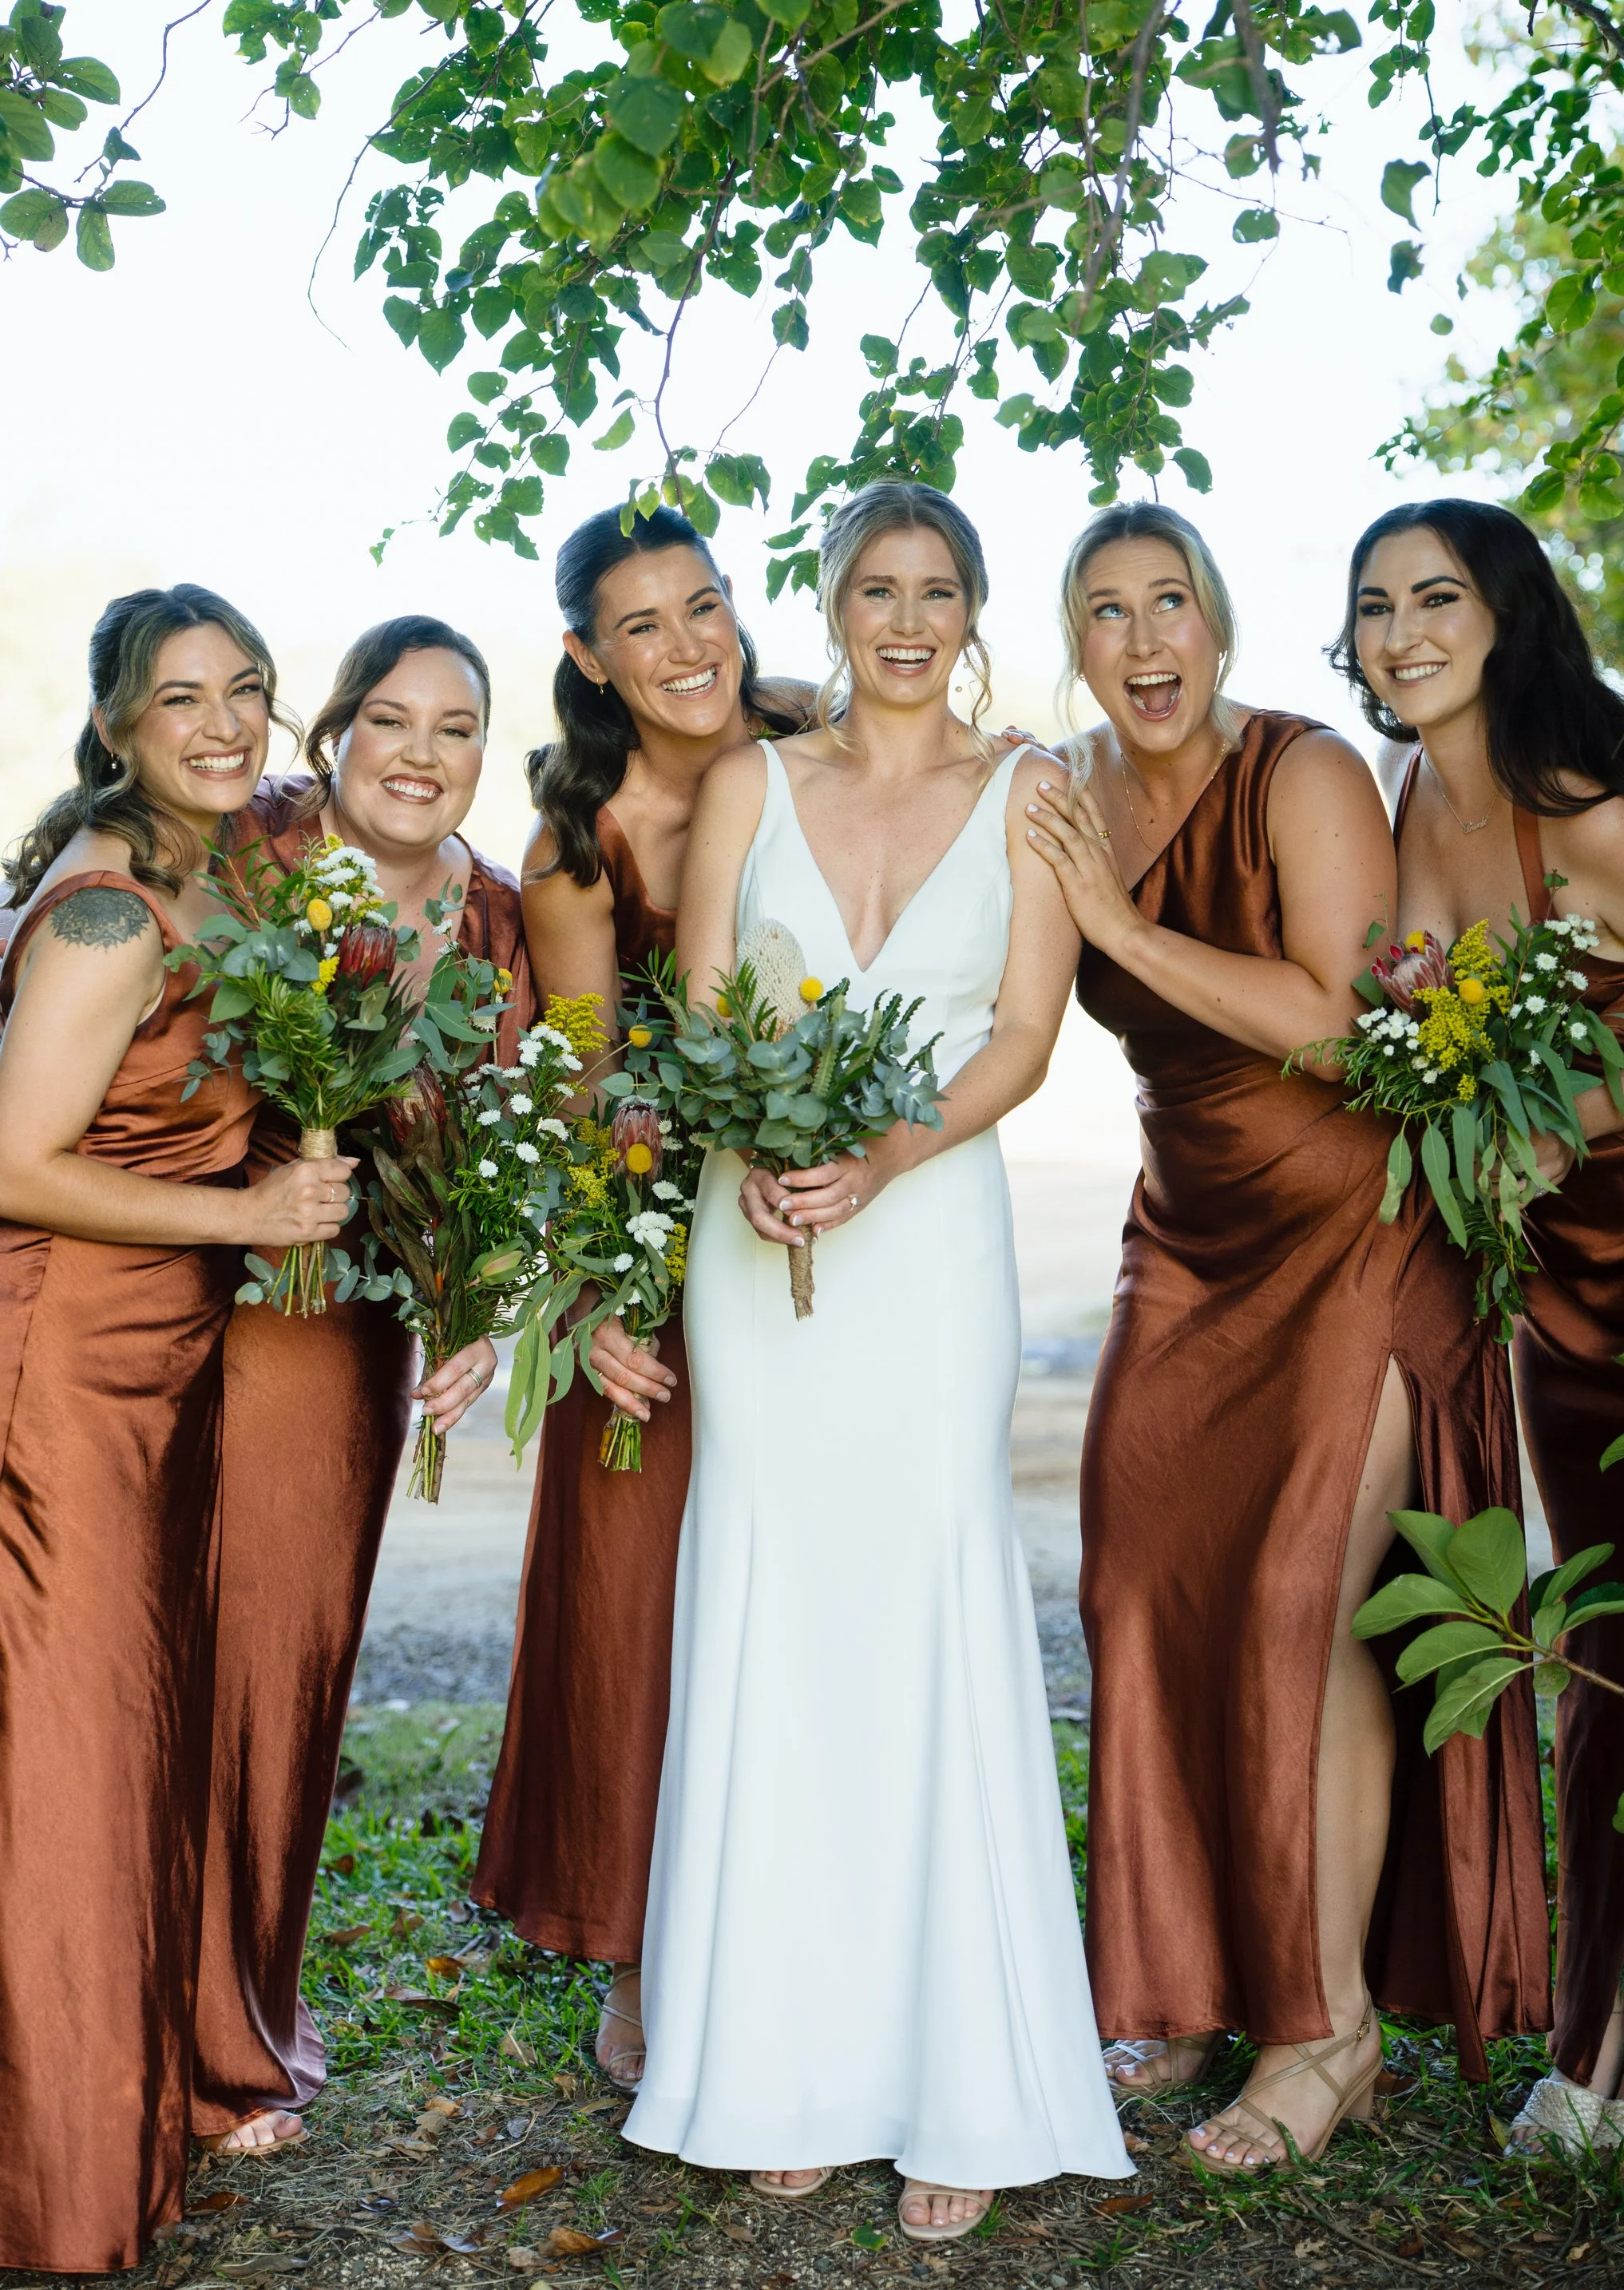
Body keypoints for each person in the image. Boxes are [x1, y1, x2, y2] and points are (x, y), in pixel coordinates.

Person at [622, 480, 1132, 2240]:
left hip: (928, 1241)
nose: (902, 620)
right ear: (827, 607)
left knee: (919, 1600)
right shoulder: (747, 785)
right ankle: (780, 2057)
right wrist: (754, 1146)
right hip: (753, 1242)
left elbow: (1022, 1035)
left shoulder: (1030, 790)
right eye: (871, 590)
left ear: (973, 610)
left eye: (935, 591)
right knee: (771, 1602)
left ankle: (958, 2086)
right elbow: (698, 1009)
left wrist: (889, 1152)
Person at [1024, 501, 1548, 2177]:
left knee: (1300, 1606)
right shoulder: (1064, 792)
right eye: (1104, 613)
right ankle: (1186, 1983)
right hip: (1185, 1236)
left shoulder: (1305, 770)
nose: (1141, 638)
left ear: (1218, 622)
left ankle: (1325, 2035)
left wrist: (1117, 930)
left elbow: (1333, 1023)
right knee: (1135, 1585)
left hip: (1351, 1223)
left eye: (1167, 601)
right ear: (1079, 647)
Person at [0, 586, 355, 2272]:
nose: (223, 725)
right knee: (76, 1761)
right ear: (120, 726)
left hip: (161, 1368)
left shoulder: (232, 879)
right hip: (60, 1371)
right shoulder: (108, 917)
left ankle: (122, 2105)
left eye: (248, 693)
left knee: (135, 1736)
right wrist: (255, 1217)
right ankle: (51, 2173)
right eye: (182, 699)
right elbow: (7, 1161)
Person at [473, 506, 806, 2088]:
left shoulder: (817, 738)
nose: (688, 649)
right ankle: (631, 1944)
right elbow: (591, 1084)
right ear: (586, 660)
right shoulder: (576, 841)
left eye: (704, 607)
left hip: (840, 1197)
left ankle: (807, 1901)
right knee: (634, 1576)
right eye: (644, 626)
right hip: (662, 1236)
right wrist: (600, 1293)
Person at [190, 616, 532, 2155]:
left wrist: (486, 1301)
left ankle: (229, 2015)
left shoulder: (503, 925)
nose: (418, 751)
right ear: (329, 736)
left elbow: (514, 1152)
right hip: (172, 1271)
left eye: (454, 727)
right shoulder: (245, 849)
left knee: (277, 1663)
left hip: (335, 1322)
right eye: (387, 718)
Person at [1333, 497, 1624, 2156]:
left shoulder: (1585, 811)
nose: (1402, 633)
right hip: (1553, 1288)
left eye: (1434, 598)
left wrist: (1567, 1117)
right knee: (1600, 1655)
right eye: (1375, 606)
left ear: (1505, 617)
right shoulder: (1400, 797)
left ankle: (1606, 2072)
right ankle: (1603, 2049)